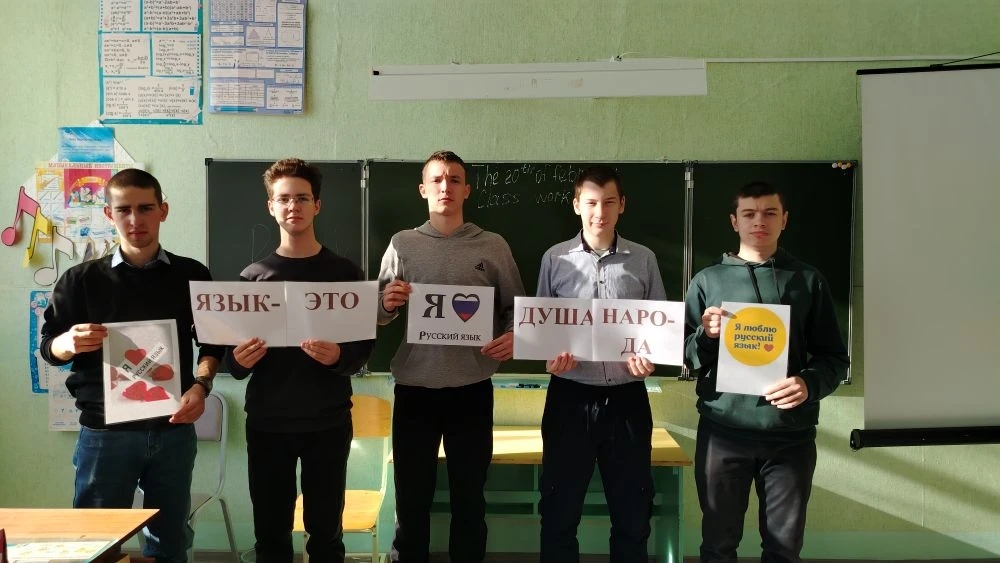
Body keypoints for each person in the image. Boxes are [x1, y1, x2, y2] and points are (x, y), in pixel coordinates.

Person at [39, 168, 224, 563]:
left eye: (145, 208)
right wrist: (66, 343)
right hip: (105, 433)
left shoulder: (193, 275)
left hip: (173, 431)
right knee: (97, 545)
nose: (135, 220)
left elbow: (212, 343)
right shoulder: (79, 280)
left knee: (170, 544)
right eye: (123, 210)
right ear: (109, 214)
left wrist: (201, 386)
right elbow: (48, 347)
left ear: (163, 211)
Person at [683, 181, 850, 563]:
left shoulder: (808, 280)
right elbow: (686, 357)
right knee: (718, 545)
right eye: (749, 213)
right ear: (734, 221)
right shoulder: (708, 280)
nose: (760, 221)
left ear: (784, 219)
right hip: (723, 433)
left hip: (790, 436)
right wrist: (707, 336)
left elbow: (834, 359)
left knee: (784, 549)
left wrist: (808, 383)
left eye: (770, 213)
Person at [377, 150, 525, 563]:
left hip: (471, 390)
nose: (446, 187)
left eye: (455, 180)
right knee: (411, 499)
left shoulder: (492, 245)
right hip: (414, 390)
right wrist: (386, 303)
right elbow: (377, 313)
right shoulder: (402, 244)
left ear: (467, 190)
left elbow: (516, 308)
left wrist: (514, 335)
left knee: (469, 498)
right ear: (423, 189)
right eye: (438, 180)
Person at [226, 158, 375, 563]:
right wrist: (240, 360)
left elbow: (363, 348)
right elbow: (232, 365)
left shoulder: (345, 273)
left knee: (326, 534)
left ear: (317, 205)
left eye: (302, 198)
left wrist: (339, 356)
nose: (293, 206)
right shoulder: (252, 278)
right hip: (267, 423)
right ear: (271, 207)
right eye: (284, 199)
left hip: (327, 422)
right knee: (270, 534)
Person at [535, 165, 666, 563]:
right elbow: (542, 328)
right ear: (577, 205)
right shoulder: (554, 258)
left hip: (627, 400)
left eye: (609, 202)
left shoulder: (643, 259)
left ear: (622, 205)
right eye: (591, 202)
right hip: (569, 398)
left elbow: (660, 328)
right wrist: (550, 358)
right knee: (559, 513)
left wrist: (650, 360)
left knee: (633, 514)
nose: (600, 212)